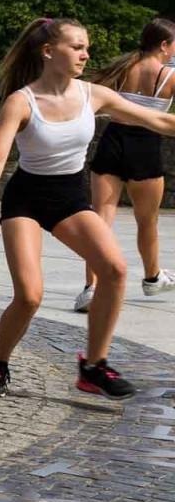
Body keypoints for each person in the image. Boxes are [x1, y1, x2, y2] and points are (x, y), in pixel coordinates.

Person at [0, 17, 175, 399]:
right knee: (30, 295)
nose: (85, 54)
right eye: (77, 47)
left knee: (114, 270)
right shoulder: (22, 101)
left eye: (86, 47)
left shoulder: (93, 94)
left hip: (69, 197)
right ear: (49, 52)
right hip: (27, 200)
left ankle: (93, 367)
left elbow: (156, 119)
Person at [74, 17, 175, 312]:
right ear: (164, 45)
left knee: (100, 218)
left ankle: (91, 288)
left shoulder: (122, 67)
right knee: (147, 222)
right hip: (145, 146)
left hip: (113, 142)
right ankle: (152, 277)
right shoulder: (169, 76)